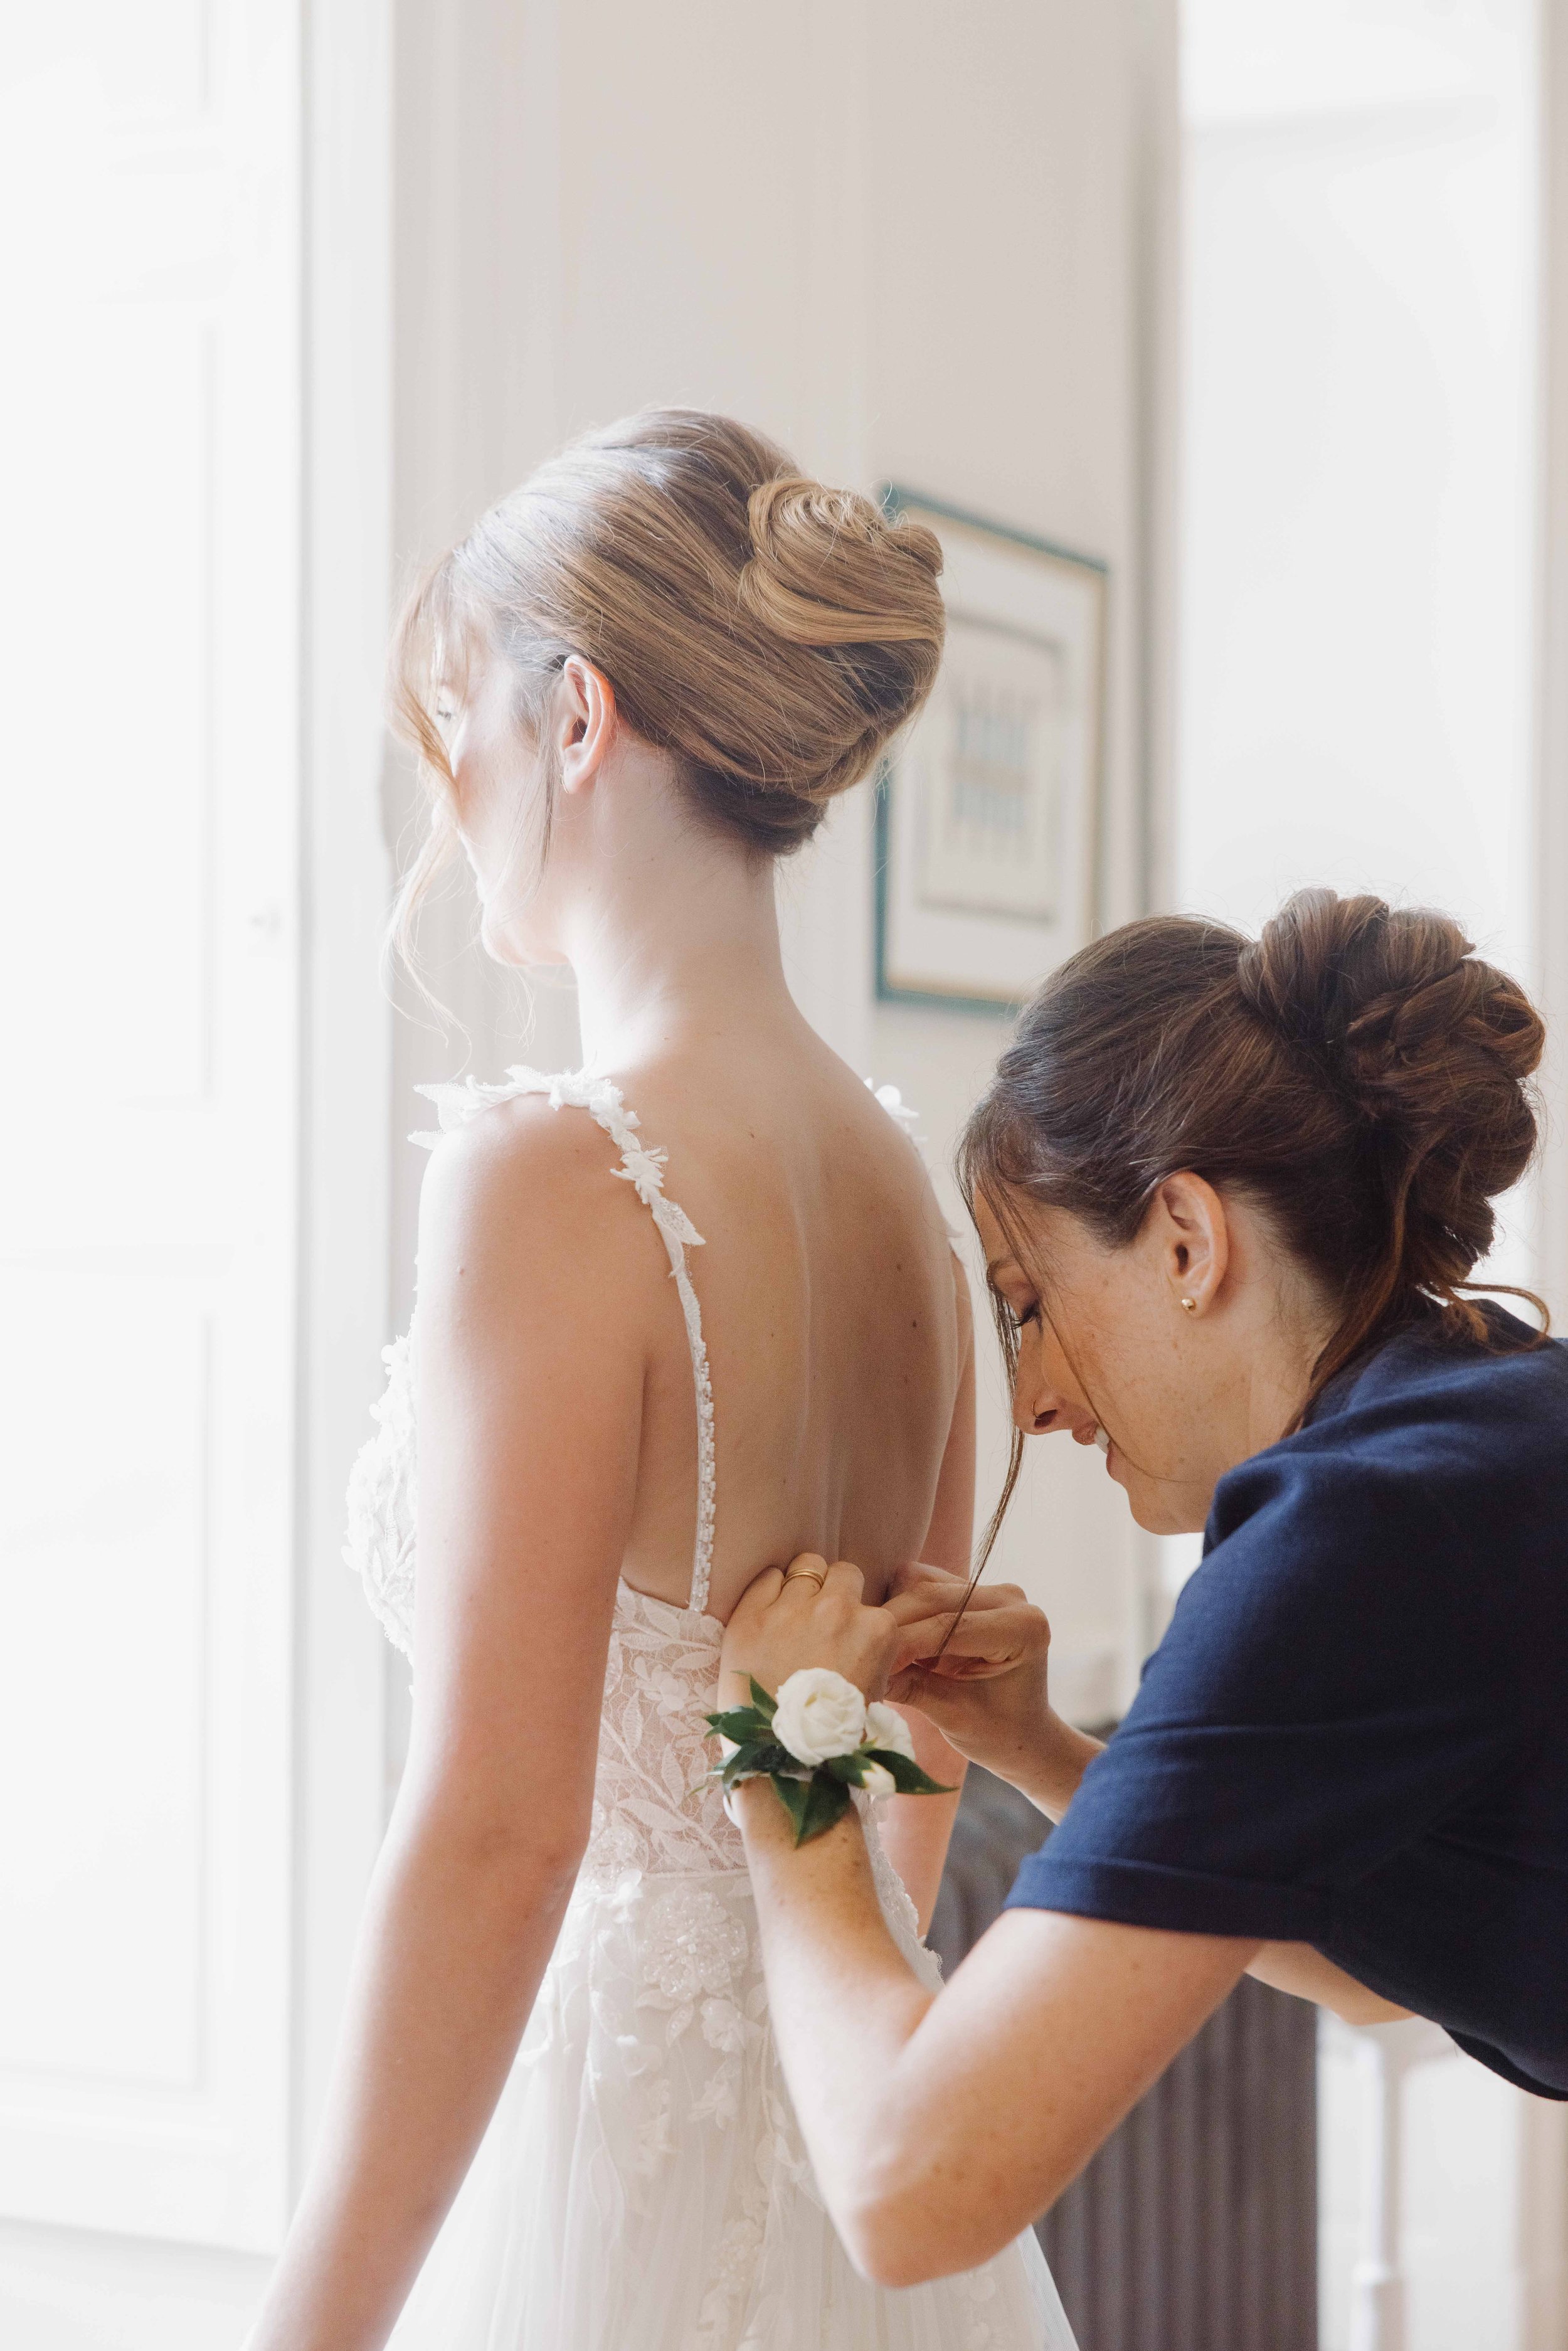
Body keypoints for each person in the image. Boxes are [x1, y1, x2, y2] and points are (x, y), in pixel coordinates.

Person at [245, 411, 1076, 2350]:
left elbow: (499, 1830)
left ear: (578, 717)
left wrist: (311, 2323)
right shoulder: (903, 1197)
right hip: (835, 2120)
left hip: (603, 2171)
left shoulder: (547, 1178)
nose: (451, 796)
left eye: (460, 720)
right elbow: (912, 1741)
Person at [714, 889, 1568, 2288]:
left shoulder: (1345, 1530)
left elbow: (900, 2187)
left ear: (1183, 1236)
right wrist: (1050, 1754)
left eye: (1028, 1303)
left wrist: (787, 1751)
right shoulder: (1471, 1425)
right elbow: (1383, 1957)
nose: (1033, 1403)